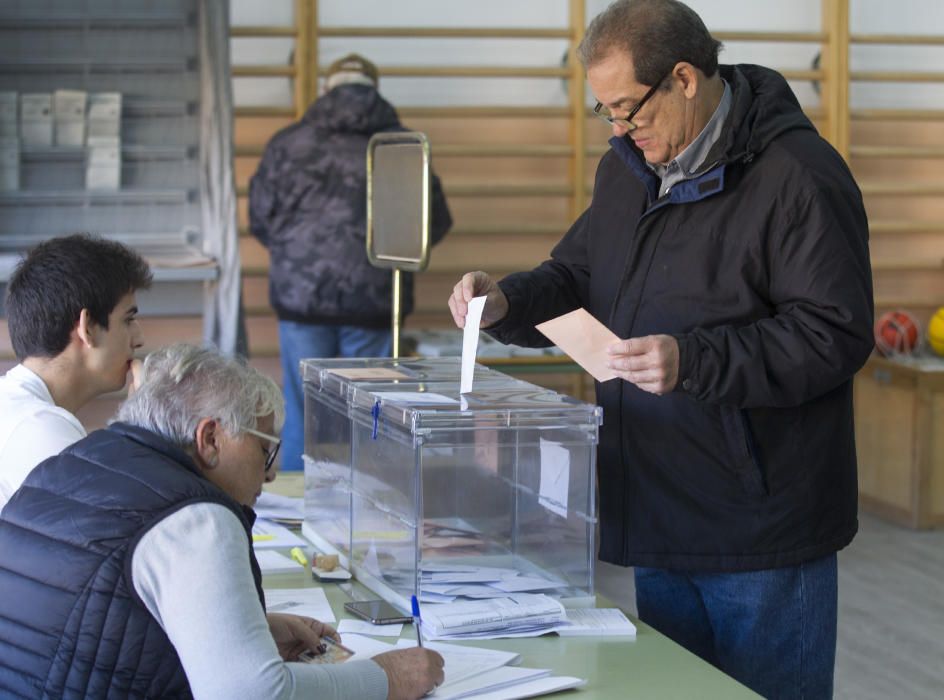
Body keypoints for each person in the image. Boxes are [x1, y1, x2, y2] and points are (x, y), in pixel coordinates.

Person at [448, 1, 873, 697]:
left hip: (758, 533)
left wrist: (694, 360)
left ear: (683, 79)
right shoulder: (627, 169)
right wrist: (505, 304)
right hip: (656, 504)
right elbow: (579, 277)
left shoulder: (798, 175)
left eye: (628, 110)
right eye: (605, 113)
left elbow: (834, 332)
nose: (618, 129)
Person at [0, 343, 445, 699]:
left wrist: (246, 631)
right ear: (210, 438)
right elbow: (252, 693)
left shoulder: (72, 462)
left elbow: (100, 621)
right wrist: (387, 678)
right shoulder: (194, 517)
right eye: (263, 450)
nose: (270, 473)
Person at [249, 53, 453, 472]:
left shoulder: (288, 143)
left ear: (327, 89)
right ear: (375, 89)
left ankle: (296, 512)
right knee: (369, 412)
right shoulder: (402, 144)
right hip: (375, 300)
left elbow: (260, 217)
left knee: (303, 408)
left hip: (301, 299)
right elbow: (432, 224)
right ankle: (369, 512)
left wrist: (299, 259)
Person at [0, 233, 152, 509]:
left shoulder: (19, 407)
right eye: (128, 319)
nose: (139, 337)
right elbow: (125, 523)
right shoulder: (39, 427)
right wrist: (147, 429)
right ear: (88, 328)